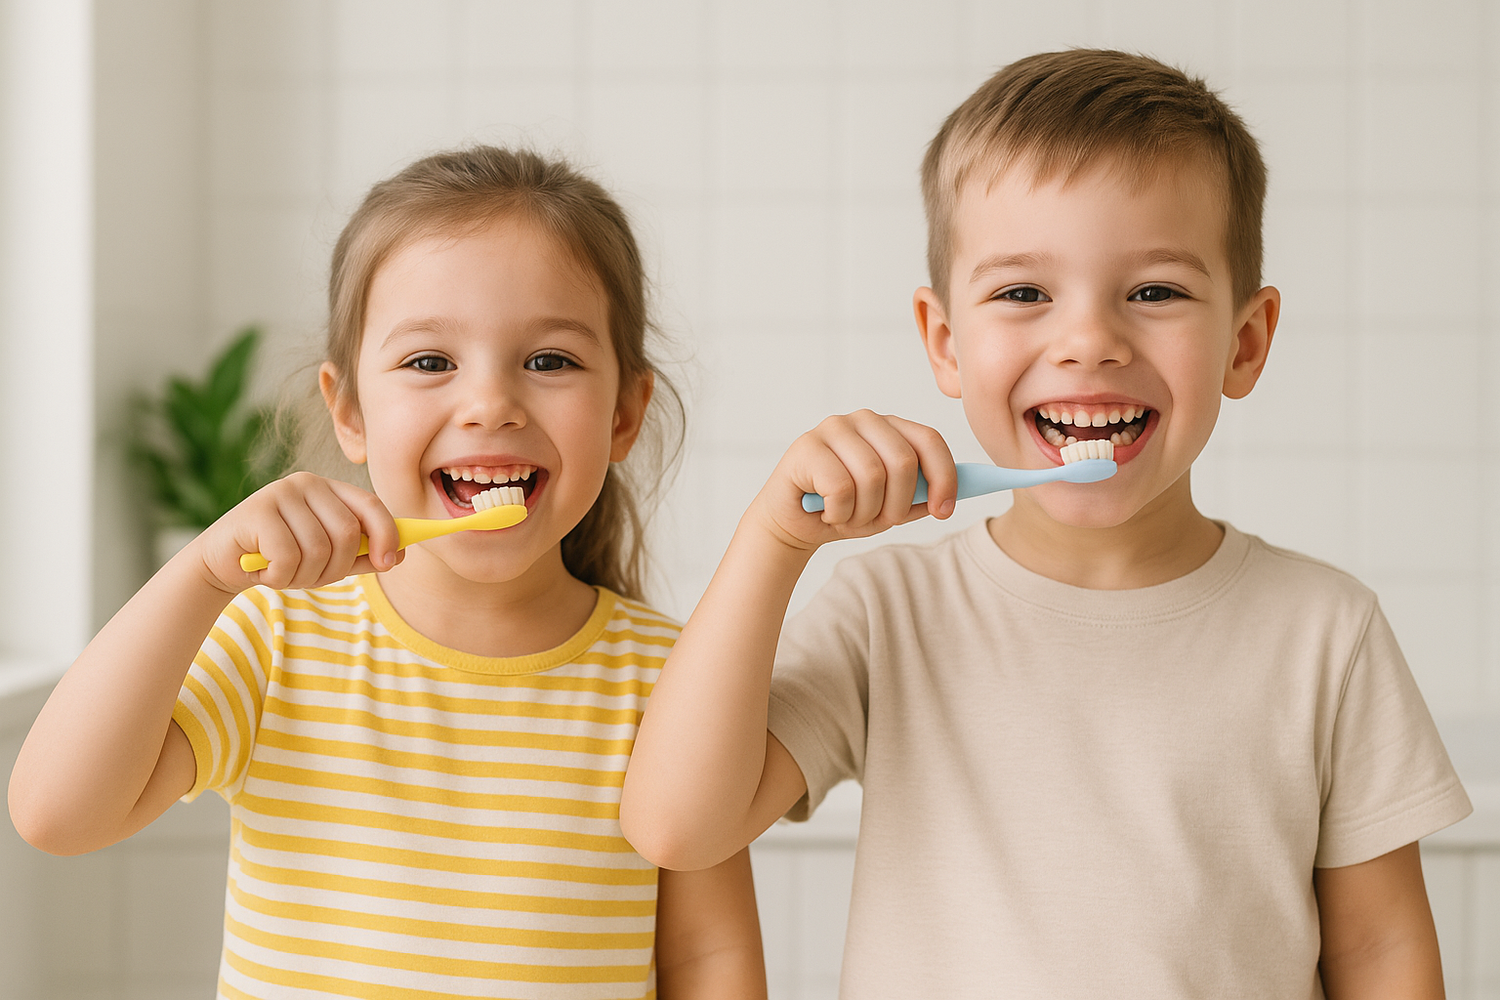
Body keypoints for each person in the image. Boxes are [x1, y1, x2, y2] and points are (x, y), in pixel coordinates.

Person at [619, 50, 1471, 998]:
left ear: (1247, 340)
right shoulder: (888, 613)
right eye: (1024, 293)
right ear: (946, 341)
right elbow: (678, 828)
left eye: (1155, 292)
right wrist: (774, 544)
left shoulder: (1327, 633)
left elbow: (1384, 955)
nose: (1087, 341)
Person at [9, 146, 766, 1000]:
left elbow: (708, 959)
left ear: (625, 413)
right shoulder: (275, 639)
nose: (491, 403)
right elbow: (55, 815)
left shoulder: (676, 679)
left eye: (549, 360)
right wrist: (201, 577)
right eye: (430, 362)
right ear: (350, 412)